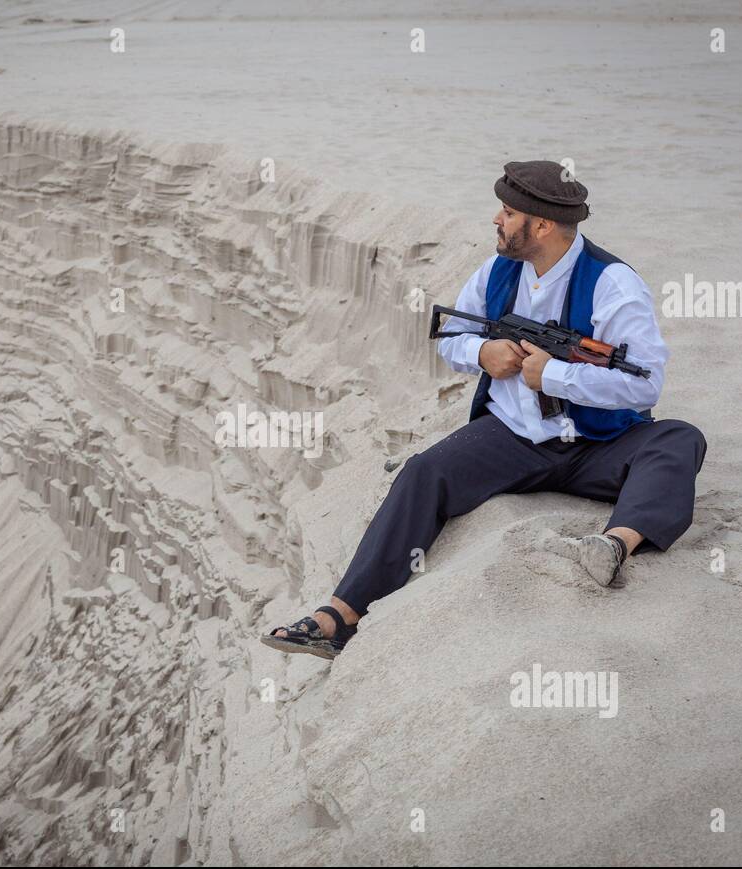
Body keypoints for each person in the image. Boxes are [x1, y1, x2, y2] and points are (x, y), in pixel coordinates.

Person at [263, 160, 707, 661]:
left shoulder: (614, 285)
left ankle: (613, 545)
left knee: (678, 438)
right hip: (514, 440)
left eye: (508, 211)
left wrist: (555, 375)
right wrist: (483, 354)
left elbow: (646, 385)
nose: (497, 219)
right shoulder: (498, 271)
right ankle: (341, 616)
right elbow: (452, 338)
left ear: (541, 225)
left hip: (598, 445)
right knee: (423, 473)